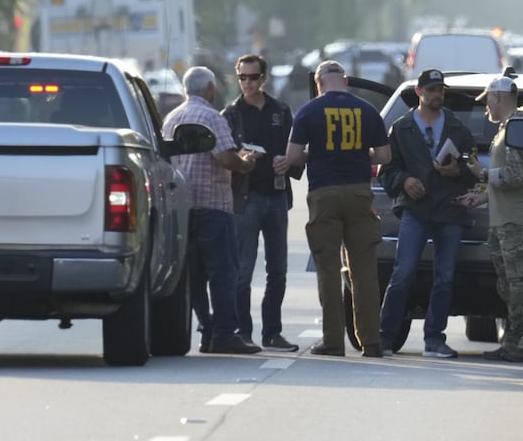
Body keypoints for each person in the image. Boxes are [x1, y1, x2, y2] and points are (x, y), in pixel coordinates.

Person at [285, 60, 391, 358]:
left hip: (324, 194)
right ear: (345, 81)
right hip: (359, 194)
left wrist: (316, 152)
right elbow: (384, 155)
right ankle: (371, 341)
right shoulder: (367, 110)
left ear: (319, 83)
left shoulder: (309, 111)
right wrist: (356, 155)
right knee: (364, 270)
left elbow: (292, 156)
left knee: (329, 268)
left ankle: (333, 341)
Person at [162, 66, 262, 355]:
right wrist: (246, 162)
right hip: (214, 206)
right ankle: (224, 334)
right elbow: (225, 157)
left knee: (193, 275)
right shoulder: (211, 117)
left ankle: (207, 329)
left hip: (182, 207)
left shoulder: (171, 118)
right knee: (224, 272)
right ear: (209, 89)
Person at [377, 69, 477, 357]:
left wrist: (457, 170)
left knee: (445, 277)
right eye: (431, 90)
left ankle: (434, 338)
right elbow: (386, 170)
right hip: (415, 210)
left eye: (440, 90)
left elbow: (473, 173)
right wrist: (405, 182)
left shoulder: (457, 129)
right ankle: (386, 336)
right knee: (403, 273)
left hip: (449, 210)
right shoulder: (402, 127)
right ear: (419, 92)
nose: (436, 95)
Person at [222, 54, 302, 352]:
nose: (248, 83)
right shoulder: (231, 114)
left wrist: (289, 162)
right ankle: (243, 331)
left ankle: (272, 332)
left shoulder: (280, 110)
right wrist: (241, 161)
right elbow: (222, 156)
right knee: (243, 270)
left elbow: (297, 150)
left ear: (264, 78)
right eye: (242, 78)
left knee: (278, 269)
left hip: (277, 196)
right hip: (246, 198)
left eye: (253, 77)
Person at [458, 75, 523, 363]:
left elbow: (517, 176)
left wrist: (482, 174)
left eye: (487, 101)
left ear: (497, 97)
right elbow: (506, 177)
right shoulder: (507, 129)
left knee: (519, 284)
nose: (486, 109)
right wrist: (480, 196)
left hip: (515, 220)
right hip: (503, 220)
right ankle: (513, 339)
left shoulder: (519, 128)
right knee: (507, 284)